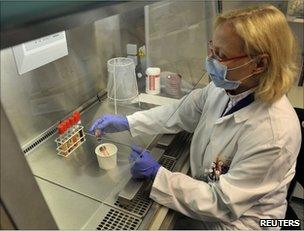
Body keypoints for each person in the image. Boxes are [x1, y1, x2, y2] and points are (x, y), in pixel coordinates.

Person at [89, 5, 301, 230]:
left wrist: (158, 175)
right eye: (212, 48)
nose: (211, 59)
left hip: (241, 222)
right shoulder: (229, 88)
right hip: (208, 198)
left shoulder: (273, 134)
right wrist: (129, 121)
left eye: (222, 55)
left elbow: (221, 202)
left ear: (259, 64)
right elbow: (180, 112)